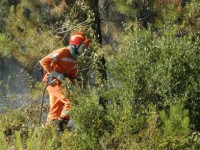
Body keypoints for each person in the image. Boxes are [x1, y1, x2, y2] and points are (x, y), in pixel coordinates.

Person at [39, 32, 90, 132]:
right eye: (83, 47)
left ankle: (47, 132)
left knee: (55, 110)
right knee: (71, 101)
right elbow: (43, 61)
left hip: (59, 83)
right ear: (77, 44)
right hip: (53, 82)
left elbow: (72, 76)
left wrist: (75, 87)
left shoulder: (74, 59)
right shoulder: (62, 52)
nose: (84, 49)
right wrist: (55, 74)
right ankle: (60, 126)